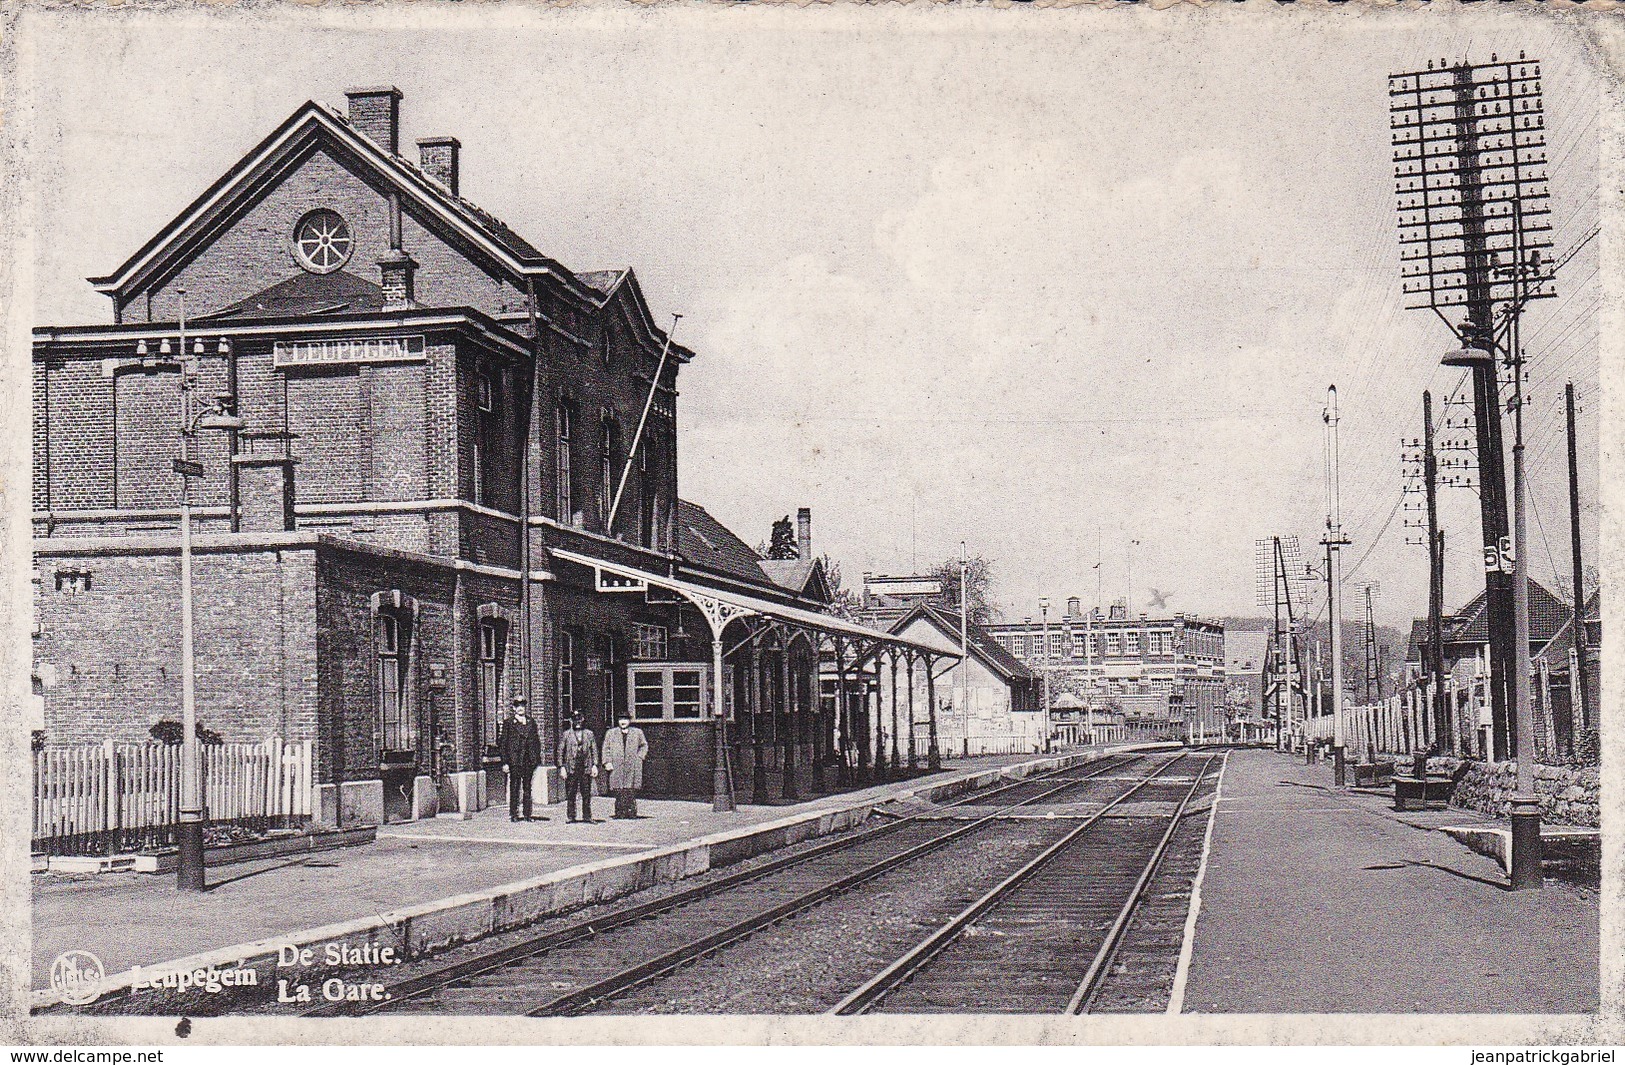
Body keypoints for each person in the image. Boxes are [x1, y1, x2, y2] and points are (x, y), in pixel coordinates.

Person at [497, 696, 543, 822]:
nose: (521, 708)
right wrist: (505, 762)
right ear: (514, 708)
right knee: (515, 788)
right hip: (515, 761)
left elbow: (536, 741)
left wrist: (536, 758)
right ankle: (514, 814)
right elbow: (503, 744)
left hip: (528, 760)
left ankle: (527, 814)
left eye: (522, 706)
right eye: (518, 706)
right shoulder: (509, 723)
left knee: (527, 788)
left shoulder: (531, 722)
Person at [601, 711, 649, 819]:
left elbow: (644, 746)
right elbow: (606, 748)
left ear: (629, 721)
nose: (623, 722)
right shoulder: (611, 733)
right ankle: (620, 812)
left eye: (625, 719)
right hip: (617, 765)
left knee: (630, 790)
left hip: (632, 765)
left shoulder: (637, 733)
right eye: (621, 720)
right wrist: (607, 762)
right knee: (618, 790)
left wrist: (640, 757)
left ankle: (631, 812)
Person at [558, 713, 598, 823]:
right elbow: (560, 751)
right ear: (571, 721)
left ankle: (587, 816)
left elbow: (594, 750)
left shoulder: (589, 734)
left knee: (586, 793)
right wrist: (562, 767)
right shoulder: (566, 734)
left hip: (585, 767)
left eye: (580, 719)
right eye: (575, 720)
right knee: (571, 793)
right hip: (571, 768)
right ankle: (571, 816)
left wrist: (595, 765)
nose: (578, 722)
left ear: (583, 720)